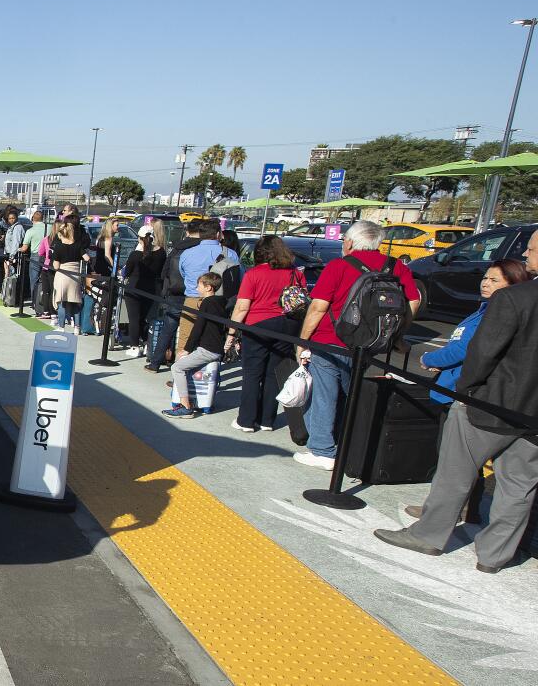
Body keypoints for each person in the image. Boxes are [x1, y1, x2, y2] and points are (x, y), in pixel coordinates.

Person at [374, 231, 538, 574]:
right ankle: (495, 555)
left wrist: (466, 392)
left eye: (532, 248)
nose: (524, 252)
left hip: (490, 402)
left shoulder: (514, 299)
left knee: (455, 472)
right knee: (519, 486)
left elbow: (483, 353)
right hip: (533, 414)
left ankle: (429, 535)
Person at [398, 258, 531, 520]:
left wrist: (429, 359)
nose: (485, 283)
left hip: (461, 392)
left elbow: (465, 350)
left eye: (495, 280)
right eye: (485, 277)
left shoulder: (497, 313)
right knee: (456, 457)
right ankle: (459, 508)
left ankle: (446, 511)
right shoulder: (483, 310)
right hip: (453, 387)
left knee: (456, 460)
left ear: (513, 285)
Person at [294, 221, 421, 470]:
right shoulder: (395, 266)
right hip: (370, 343)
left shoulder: (338, 266)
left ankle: (322, 450)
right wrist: (396, 334)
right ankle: (343, 441)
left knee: (324, 395)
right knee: (349, 393)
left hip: (330, 339)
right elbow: (413, 301)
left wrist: (303, 340)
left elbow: (318, 306)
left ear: (350, 242)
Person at [226, 235, 301, 432]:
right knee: (273, 374)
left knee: (252, 373)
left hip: (258, 325)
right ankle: (267, 419)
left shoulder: (254, 273)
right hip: (287, 325)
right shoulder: (295, 273)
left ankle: (246, 420)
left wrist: (231, 333)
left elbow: (242, 307)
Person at [163, 272, 226, 418]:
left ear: (208, 287)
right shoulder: (220, 302)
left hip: (207, 349)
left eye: (199, 285)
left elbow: (198, 328)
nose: (197, 288)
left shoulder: (206, 303)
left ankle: (185, 407)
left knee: (177, 367)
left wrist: (186, 349)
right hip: (217, 348)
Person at [146, 219, 203, 372]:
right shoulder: (201, 248)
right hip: (195, 294)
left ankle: (155, 362)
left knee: (168, 329)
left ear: (187, 231)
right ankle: (182, 366)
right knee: (190, 332)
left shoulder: (178, 248)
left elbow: (165, 271)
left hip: (174, 292)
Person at [177, 219, 238, 357]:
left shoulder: (187, 253)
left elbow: (182, 273)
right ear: (218, 234)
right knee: (212, 343)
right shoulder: (230, 254)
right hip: (219, 303)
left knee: (185, 339)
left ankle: (180, 372)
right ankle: (207, 375)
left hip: (192, 299)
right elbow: (238, 277)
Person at [123, 221, 167, 357]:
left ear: (140, 238)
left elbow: (126, 271)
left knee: (134, 318)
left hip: (135, 288)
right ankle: (148, 344)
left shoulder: (136, 254)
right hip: (153, 288)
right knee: (147, 318)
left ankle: (135, 346)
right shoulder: (161, 252)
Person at [51, 217, 91, 333]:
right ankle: (77, 327)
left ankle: (61, 327)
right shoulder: (78, 245)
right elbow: (87, 258)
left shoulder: (58, 247)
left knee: (62, 302)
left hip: (62, 276)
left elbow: (56, 266)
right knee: (75, 301)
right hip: (75, 276)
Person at [20, 210, 50, 316]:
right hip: (48, 257)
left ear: (33, 219)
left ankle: (34, 302)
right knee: (47, 281)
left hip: (35, 256)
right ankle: (46, 303)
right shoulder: (50, 228)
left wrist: (17, 250)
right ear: (43, 219)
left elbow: (24, 248)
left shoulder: (30, 231)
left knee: (34, 280)